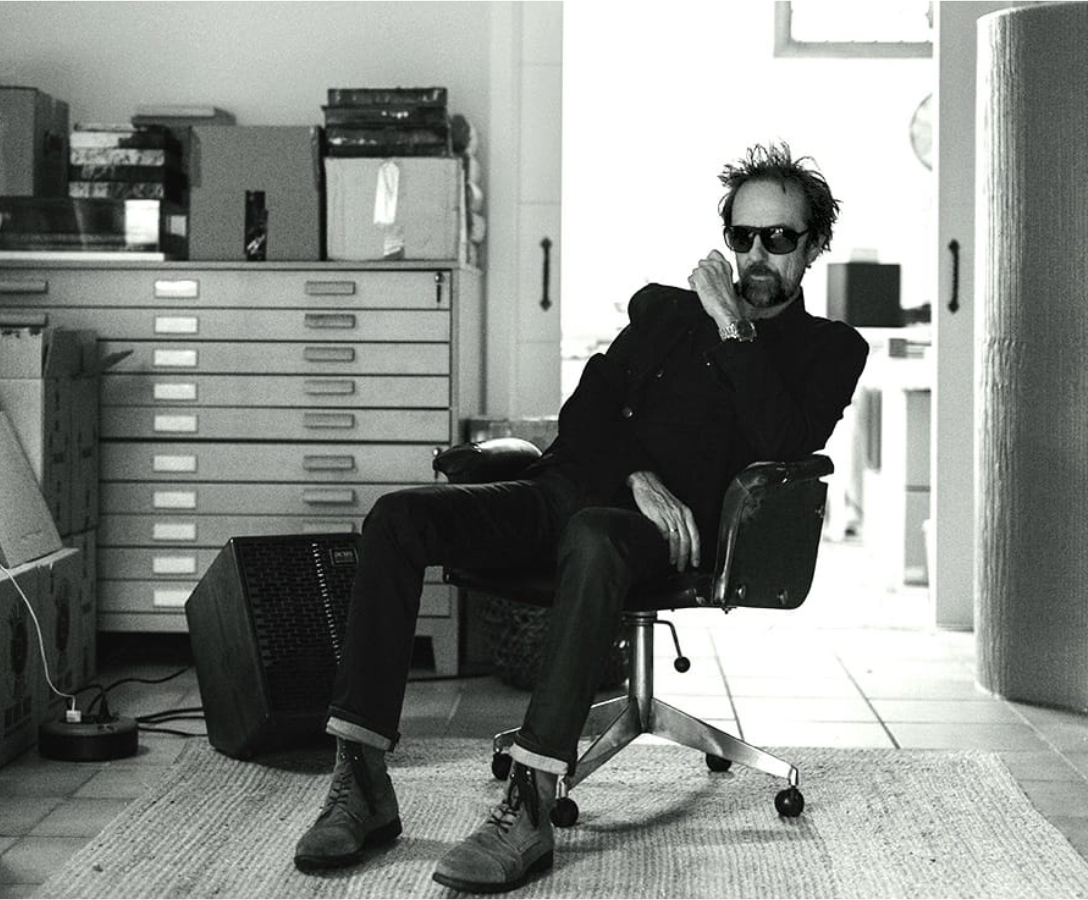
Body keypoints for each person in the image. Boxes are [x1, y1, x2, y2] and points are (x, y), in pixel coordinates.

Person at [292, 141, 870, 893]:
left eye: (780, 238)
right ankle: (361, 779)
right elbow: (588, 409)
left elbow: (784, 442)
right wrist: (635, 474)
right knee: (397, 518)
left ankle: (530, 803)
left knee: (595, 536)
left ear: (814, 245)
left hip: (671, 537)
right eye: (742, 235)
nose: (756, 255)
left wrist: (733, 326)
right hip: (569, 490)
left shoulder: (831, 349)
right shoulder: (665, 311)